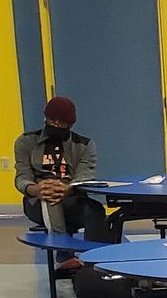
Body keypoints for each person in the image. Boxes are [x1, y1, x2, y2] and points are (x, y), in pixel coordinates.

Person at [15, 96, 111, 241]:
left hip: (73, 197)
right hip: (37, 199)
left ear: (70, 125)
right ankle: (63, 251)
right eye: (52, 121)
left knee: (96, 211)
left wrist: (66, 189)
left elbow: (85, 175)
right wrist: (36, 189)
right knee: (50, 199)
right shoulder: (26, 142)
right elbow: (22, 176)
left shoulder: (84, 145)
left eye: (62, 123)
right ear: (46, 118)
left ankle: (94, 252)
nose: (56, 125)